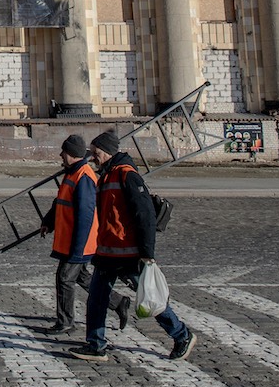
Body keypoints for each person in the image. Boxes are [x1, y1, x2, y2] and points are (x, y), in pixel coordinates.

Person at [72, 131, 196, 363]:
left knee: (151, 298)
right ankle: (96, 344)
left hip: (127, 254)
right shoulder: (107, 176)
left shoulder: (126, 175)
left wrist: (148, 254)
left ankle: (182, 334)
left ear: (106, 151)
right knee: (96, 299)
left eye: (94, 151)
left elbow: (145, 214)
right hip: (107, 252)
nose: (91, 156)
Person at [38, 134, 132, 335]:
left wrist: (78, 249)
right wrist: (48, 222)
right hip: (71, 239)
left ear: (71, 154)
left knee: (65, 278)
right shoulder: (72, 172)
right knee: (82, 277)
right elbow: (60, 202)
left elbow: (86, 215)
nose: (60, 154)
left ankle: (66, 322)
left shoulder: (84, 176)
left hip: (80, 241)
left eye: (64, 151)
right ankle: (118, 302)